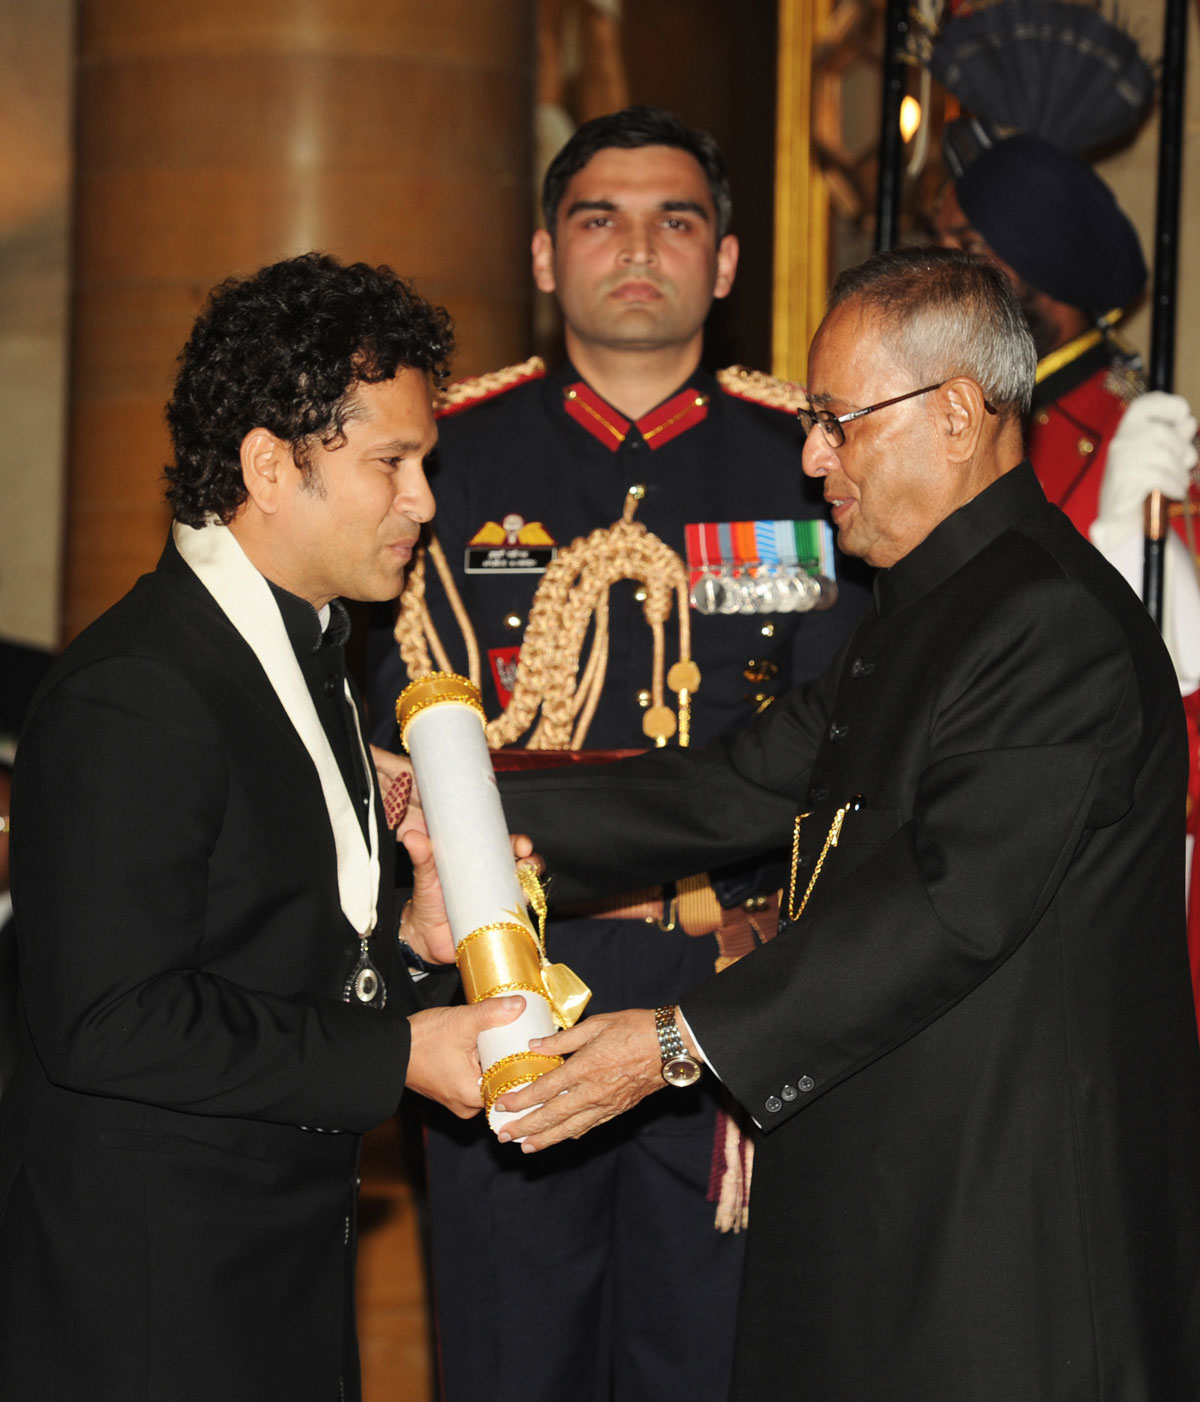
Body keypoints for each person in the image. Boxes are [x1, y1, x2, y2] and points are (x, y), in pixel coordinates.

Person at [483, 247, 1200, 1400]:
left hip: (1003, 1251)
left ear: (958, 414)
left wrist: (675, 1040)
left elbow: (944, 907)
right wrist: (443, 803)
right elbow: (721, 791)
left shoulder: (1048, 622)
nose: (812, 457)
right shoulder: (925, 605)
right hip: (898, 1214)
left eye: (838, 423)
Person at [369, 105, 872, 1402]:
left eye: (676, 220)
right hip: (507, 984)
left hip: (728, 984)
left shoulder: (809, 464)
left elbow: (854, 744)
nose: (636, 247)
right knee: (508, 1363)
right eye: (598, 218)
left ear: (727, 261)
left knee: (712, 1367)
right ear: (544, 257)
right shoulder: (448, 457)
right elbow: (383, 738)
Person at [0, 252, 526, 1402]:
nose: (424, 499)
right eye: (393, 461)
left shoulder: (310, 647)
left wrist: (413, 945)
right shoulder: (135, 687)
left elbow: (262, 942)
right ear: (269, 466)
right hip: (147, 1305)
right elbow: (107, 1016)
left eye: (423, 461)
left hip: (272, 1270)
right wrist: (399, 1055)